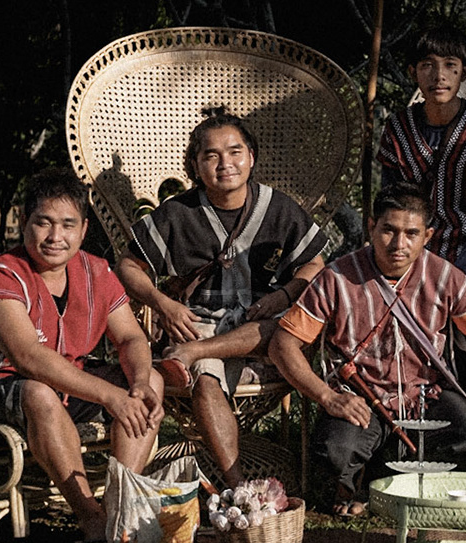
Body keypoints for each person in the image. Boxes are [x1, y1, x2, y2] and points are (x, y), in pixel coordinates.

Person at [0, 169, 162, 543]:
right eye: (43, 223)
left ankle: (120, 502)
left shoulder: (96, 271)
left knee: (152, 386)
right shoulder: (2, 275)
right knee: (39, 391)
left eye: (67, 225)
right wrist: (112, 397)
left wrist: (139, 383)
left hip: (64, 382)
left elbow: (131, 338)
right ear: (24, 223)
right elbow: (28, 357)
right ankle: (90, 516)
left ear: (83, 229)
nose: (54, 237)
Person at [269, 186, 466, 516]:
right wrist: (328, 397)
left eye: (411, 233)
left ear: (427, 235)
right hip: (360, 396)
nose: (399, 244)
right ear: (371, 227)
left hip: (426, 395)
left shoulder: (446, 277)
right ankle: (367, 481)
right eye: (389, 230)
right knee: (335, 453)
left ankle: (384, 479)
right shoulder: (337, 278)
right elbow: (283, 343)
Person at [115, 111, 328, 487]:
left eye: (235, 151)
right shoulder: (179, 213)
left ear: (251, 156)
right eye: (211, 156)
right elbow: (129, 266)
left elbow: (315, 263)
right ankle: (236, 485)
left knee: (278, 330)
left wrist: (284, 294)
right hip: (198, 322)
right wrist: (162, 302)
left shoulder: (277, 207)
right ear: (195, 166)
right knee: (205, 380)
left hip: (259, 326)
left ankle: (194, 354)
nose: (225, 163)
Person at [376, 23, 466, 286]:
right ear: (413, 72)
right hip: (411, 249)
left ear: (464, 72)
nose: (439, 76)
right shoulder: (398, 129)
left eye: (449, 65)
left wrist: (464, 266)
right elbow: (391, 202)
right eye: (427, 65)